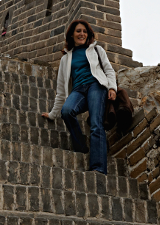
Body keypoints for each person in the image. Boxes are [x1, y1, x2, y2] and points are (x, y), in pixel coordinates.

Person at [42, 19, 117, 175]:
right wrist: (52, 114)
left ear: (88, 34)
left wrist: (112, 88)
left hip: (96, 86)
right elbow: (61, 91)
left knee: (96, 123)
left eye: (84, 31)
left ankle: (98, 167)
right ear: (71, 35)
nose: (81, 34)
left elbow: (109, 70)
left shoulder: (97, 50)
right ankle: (81, 147)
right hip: (78, 90)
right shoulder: (65, 59)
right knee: (67, 111)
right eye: (78, 31)